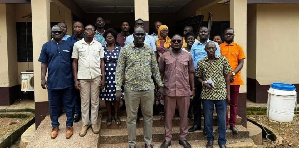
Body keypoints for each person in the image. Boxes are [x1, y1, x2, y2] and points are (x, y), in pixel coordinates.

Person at [115, 26, 164, 148]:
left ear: (145, 36)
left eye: (142, 34)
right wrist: (118, 88)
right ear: (133, 35)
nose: (140, 36)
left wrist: (160, 85)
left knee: (148, 117)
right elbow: (119, 69)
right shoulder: (125, 50)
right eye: (138, 34)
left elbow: (154, 68)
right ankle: (132, 143)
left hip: (148, 89)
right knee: (131, 118)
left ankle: (148, 142)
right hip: (131, 89)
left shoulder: (149, 49)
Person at [38, 25, 74, 139]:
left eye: (59, 32)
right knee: (53, 106)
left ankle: (69, 126)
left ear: (63, 33)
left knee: (69, 105)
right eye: (54, 32)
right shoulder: (46, 46)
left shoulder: (69, 45)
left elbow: (74, 62)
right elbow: (43, 63)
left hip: (67, 81)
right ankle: (55, 126)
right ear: (51, 34)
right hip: (53, 82)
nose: (56, 33)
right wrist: (43, 78)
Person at [159, 34, 194, 148]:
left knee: (184, 116)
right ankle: (167, 139)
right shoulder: (165, 56)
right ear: (171, 42)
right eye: (174, 41)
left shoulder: (188, 56)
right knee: (168, 116)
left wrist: (192, 88)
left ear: (182, 42)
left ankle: (183, 138)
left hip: (184, 90)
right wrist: (160, 86)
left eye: (178, 41)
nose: (176, 42)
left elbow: (191, 73)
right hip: (169, 90)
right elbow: (161, 73)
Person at [196, 41, 231, 148]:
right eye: (208, 48)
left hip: (221, 94)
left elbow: (227, 76)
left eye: (212, 48)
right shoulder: (201, 62)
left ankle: (222, 141)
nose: (211, 50)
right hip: (207, 95)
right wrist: (203, 83)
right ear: (205, 50)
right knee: (208, 119)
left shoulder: (222, 59)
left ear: (216, 49)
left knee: (221, 119)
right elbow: (198, 76)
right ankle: (210, 139)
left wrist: (228, 94)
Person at [72, 24, 105, 137]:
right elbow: (75, 62)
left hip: (96, 76)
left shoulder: (99, 45)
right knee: (85, 102)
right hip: (83, 77)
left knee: (95, 102)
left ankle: (94, 123)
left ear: (94, 32)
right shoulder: (77, 45)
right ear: (84, 32)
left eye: (91, 30)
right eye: (87, 29)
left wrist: (103, 78)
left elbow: (102, 62)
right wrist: (76, 79)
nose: (89, 31)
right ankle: (85, 124)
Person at [189, 26, 221, 133]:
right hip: (198, 76)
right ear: (198, 33)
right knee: (196, 101)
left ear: (208, 33)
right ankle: (197, 124)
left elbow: (218, 60)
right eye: (201, 31)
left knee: (209, 102)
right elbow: (192, 62)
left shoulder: (214, 44)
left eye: (205, 31)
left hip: (211, 76)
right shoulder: (194, 45)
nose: (203, 33)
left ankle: (208, 127)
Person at [220, 28, 246, 134]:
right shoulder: (220, 47)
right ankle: (225, 124)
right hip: (222, 80)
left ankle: (233, 124)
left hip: (235, 80)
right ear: (224, 35)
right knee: (224, 103)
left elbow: (241, 63)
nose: (228, 36)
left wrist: (233, 74)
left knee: (234, 103)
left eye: (230, 34)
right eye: (227, 34)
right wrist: (225, 75)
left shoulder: (238, 47)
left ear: (233, 35)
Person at [100, 28, 122, 125]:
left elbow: (122, 63)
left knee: (117, 97)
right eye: (108, 37)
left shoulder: (120, 49)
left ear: (114, 38)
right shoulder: (102, 49)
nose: (109, 39)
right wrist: (102, 78)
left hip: (117, 75)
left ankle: (116, 115)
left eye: (111, 37)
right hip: (106, 75)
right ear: (105, 38)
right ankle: (109, 116)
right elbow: (101, 62)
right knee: (107, 97)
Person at [66, 21, 85, 122]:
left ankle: (87, 113)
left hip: (85, 69)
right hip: (73, 69)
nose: (77, 29)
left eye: (79, 27)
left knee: (85, 92)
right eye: (75, 27)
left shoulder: (87, 39)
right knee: (75, 93)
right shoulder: (69, 41)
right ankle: (77, 112)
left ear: (82, 29)